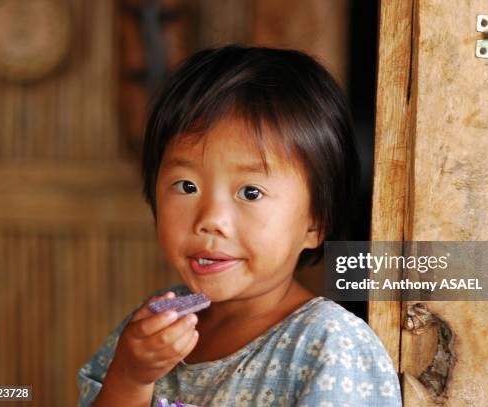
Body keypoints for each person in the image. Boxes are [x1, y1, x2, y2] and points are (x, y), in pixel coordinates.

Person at [78, 45, 402, 406]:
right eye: (187, 186)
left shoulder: (329, 344)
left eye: (250, 192)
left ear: (316, 222)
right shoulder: (155, 326)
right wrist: (131, 376)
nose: (211, 219)